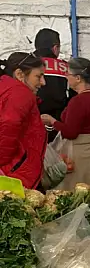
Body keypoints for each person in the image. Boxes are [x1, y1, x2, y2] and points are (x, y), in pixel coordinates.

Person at [40, 58, 90, 195]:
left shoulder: (78, 101)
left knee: (77, 200)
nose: (66, 77)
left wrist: (53, 121)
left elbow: (71, 132)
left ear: (77, 78)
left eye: (68, 74)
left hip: (83, 159)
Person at [0, 52, 47, 189]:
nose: (43, 82)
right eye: (38, 76)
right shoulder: (20, 93)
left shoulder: (7, 88)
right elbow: (7, 129)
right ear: (20, 74)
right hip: (14, 174)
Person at [33, 29, 71, 141]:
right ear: (55, 48)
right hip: (58, 127)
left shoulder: (26, 65)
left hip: (31, 124)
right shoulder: (66, 68)